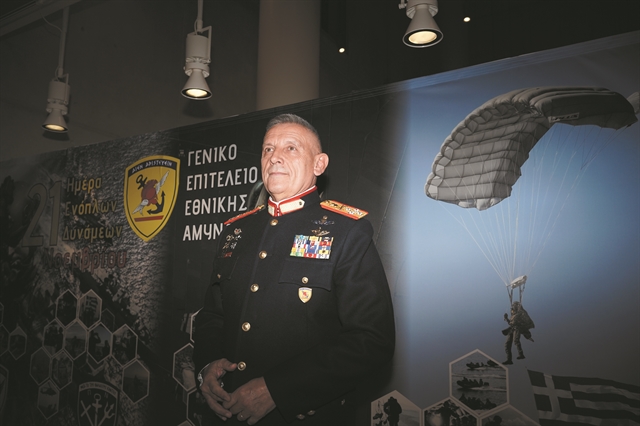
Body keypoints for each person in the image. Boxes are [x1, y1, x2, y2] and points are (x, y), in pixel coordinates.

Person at [193, 113, 396, 425]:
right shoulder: (236, 231)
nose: (274, 157)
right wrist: (206, 366)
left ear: (319, 164)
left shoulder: (347, 231)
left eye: (291, 148)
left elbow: (371, 340)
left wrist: (277, 390)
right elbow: (213, 315)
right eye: (268, 149)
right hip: (227, 414)